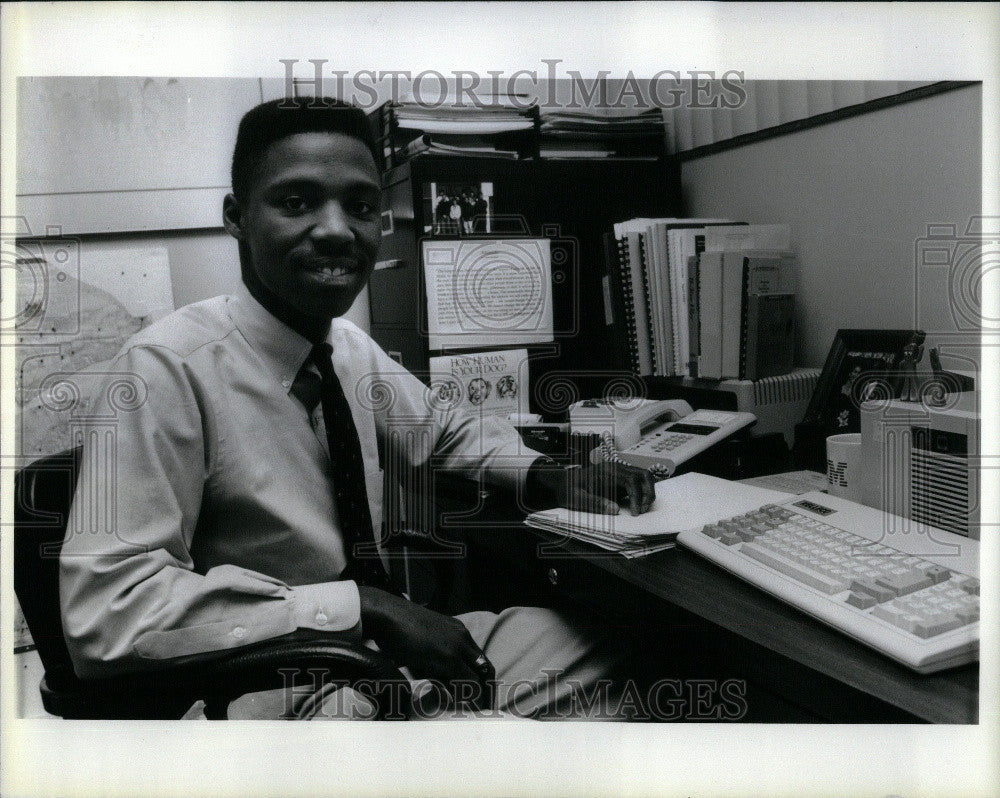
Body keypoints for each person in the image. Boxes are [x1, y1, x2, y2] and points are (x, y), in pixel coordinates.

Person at [59, 97, 655, 720]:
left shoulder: (344, 348)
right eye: (296, 202)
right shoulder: (165, 367)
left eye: (362, 206)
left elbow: (443, 429)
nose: (338, 229)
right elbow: (106, 613)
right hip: (275, 689)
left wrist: (542, 472)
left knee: (625, 654)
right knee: (504, 740)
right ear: (237, 217)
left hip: (373, 657)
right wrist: (362, 607)